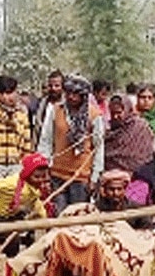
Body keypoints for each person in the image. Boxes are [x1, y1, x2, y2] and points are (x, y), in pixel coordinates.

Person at [37, 75, 104, 213]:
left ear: (83, 96)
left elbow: (98, 147)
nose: (72, 97)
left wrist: (95, 177)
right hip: (57, 174)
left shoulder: (94, 115)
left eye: (76, 94)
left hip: (81, 176)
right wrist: (44, 169)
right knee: (59, 216)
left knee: (77, 217)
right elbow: (46, 140)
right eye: (69, 93)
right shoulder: (55, 110)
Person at [0, 152, 50, 223]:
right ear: (28, 175)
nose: (40, 180)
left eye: (43, 176)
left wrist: (45, 220)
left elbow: (37, 204)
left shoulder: (34, 190)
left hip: (9, 216)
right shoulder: (12, 184)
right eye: (36, 177)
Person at [0, 75, 31, 178]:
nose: (6, 97)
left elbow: (27, 143)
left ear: (16, 92)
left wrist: (24, 164)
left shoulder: (21, 115)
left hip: (16, 165)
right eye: (2, 93)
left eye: (10, 93)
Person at [104, 94, 155, 174]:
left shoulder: (140, 127)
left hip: (138, 176)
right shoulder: (109, 129)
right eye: (112, 113)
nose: (115, 116)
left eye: (119, 113)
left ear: (128, 110)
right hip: (110, 177)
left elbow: (145, 156)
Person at [30, 70, 65, 146]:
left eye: (57, 86)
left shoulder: (66, 106)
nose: (53, 89)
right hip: (41, 149)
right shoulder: (43, 104)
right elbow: (37, 129)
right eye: (50, 86)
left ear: (63, 87)